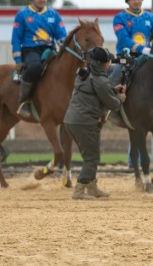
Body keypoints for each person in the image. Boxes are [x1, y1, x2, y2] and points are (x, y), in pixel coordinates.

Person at [64, 46, 127, 199]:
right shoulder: (100, 80)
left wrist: (111, 89)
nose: (109, 63)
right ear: (102, 64)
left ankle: (92, 188)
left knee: (92, 154)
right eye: (107, 61)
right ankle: (79, 191)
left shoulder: (85, 74)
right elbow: (113, 105)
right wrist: (120, 99)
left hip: (72, 120)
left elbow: (94, 91)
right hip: (85, 122)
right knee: (91, 158)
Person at [12, 0, 68, 117]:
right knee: (36, 68)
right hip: (30, 50)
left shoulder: (54, 15)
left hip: (49, 50)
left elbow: (61, 35)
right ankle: (24, 101)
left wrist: (62, 43)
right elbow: (16, 38)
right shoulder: (22, 14)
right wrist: (18, 60)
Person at [110, 0, 153, 86]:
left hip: (147, 56)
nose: (136, 1)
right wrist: (141, 49)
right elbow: (123, 39)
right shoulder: (119, 17)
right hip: (126, 58)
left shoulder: (150, 17)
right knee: (115, 80)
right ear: (128, 1)